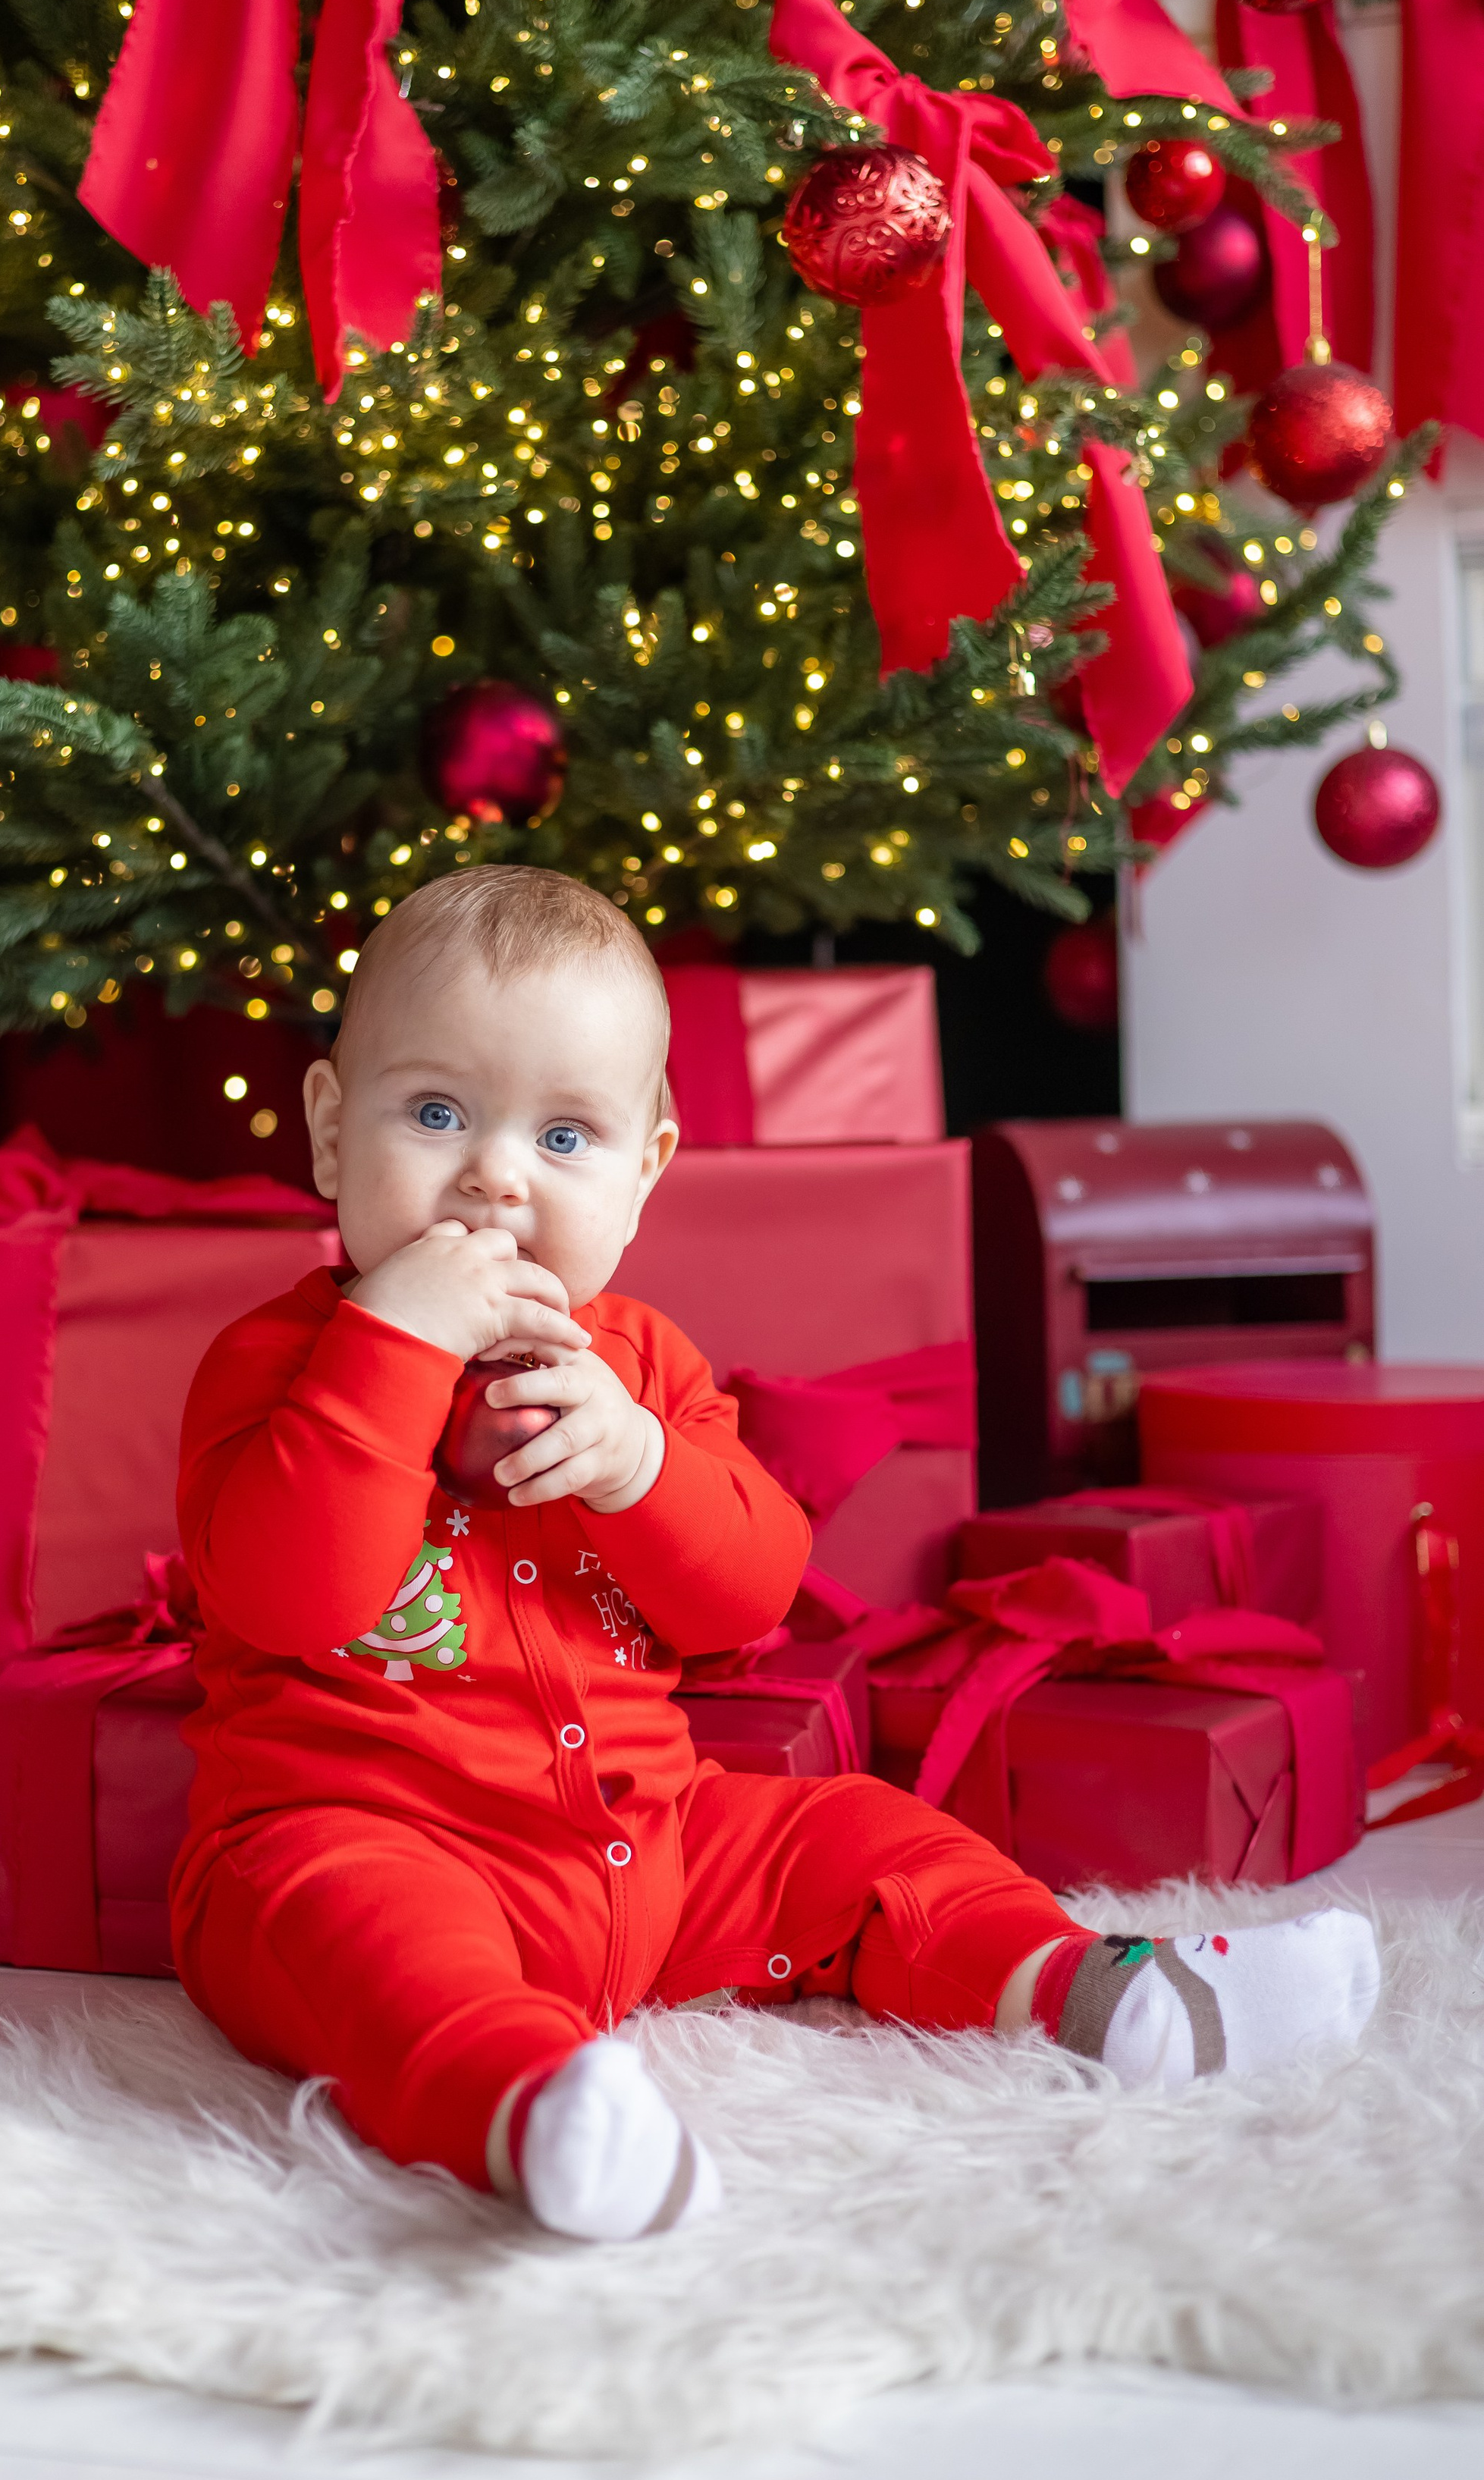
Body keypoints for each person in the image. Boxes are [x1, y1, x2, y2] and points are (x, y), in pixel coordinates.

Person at [169, 868, 1379, 2240]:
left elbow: (746, 1600)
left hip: (646, 1847)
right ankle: (530, 2110)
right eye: (436, 1113)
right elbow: (289, 1597)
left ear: (644, 1173)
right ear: (333, 1133)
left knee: (859, 1835)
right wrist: (394, 1345)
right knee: (374, 1947)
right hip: (361, 1834)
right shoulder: (276, 1366)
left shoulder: (640, 1368)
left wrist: (640, 1469)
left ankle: (1094, 1992)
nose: (497, 1175)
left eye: (564, 1135)